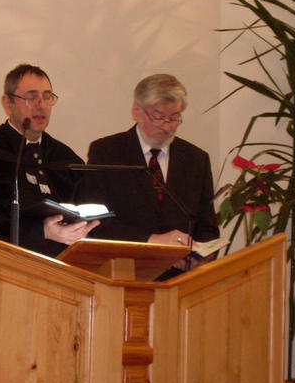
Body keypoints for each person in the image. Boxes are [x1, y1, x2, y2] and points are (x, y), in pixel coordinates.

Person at [0, 63, 98, 257]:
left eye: (47, 97)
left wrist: (83, 231)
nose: (41, 105)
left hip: (63, 269)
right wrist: (40, 232)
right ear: (8, 104)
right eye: (31, 97)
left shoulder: (67, 159)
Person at [79, 73, 219, 278]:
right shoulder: (107, 152)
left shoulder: (196, 159)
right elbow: (95, 223)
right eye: (158, 116)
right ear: (137, 110)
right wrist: (152, 240)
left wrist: (199, 257)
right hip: (124, 274)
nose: (167, 126)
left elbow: (208, 228)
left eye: (174, 117)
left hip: (181, 280)